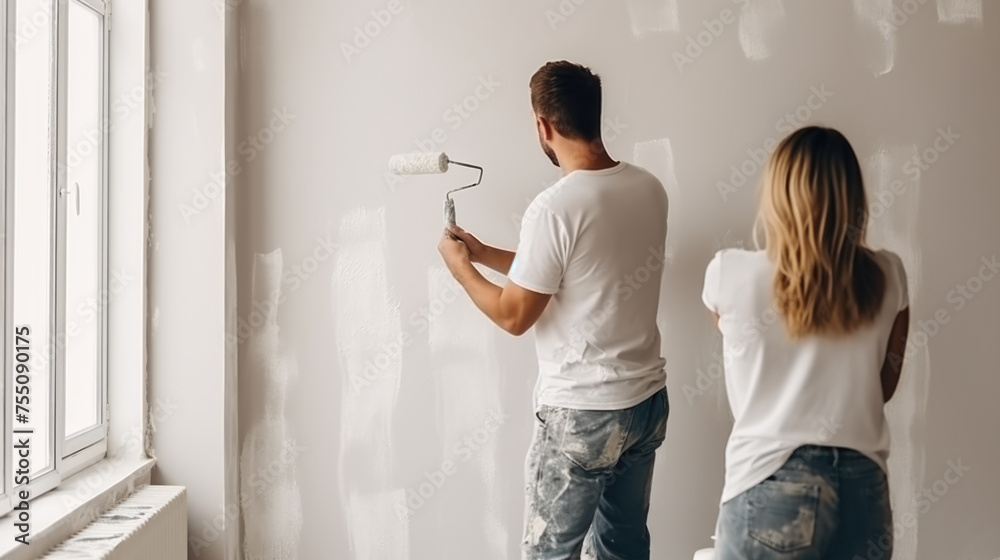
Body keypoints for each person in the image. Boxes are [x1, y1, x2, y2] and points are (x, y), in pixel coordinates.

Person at [437, 60, 670, 559]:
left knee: (549, 553)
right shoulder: (648, 187)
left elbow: (514, 316)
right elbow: (578, 271)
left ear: (543, 125)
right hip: (644, 404)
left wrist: (460, 271)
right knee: (623, 549)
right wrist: (484, 253)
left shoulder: (556, 206)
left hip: (583, 413)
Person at [702, 126, 910, 558]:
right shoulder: (889, 274)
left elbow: (732, 336)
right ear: (853, 196)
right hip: (863, 487)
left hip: (771, 478)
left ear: (777, 194)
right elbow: (884, 387)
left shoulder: (729, 272)